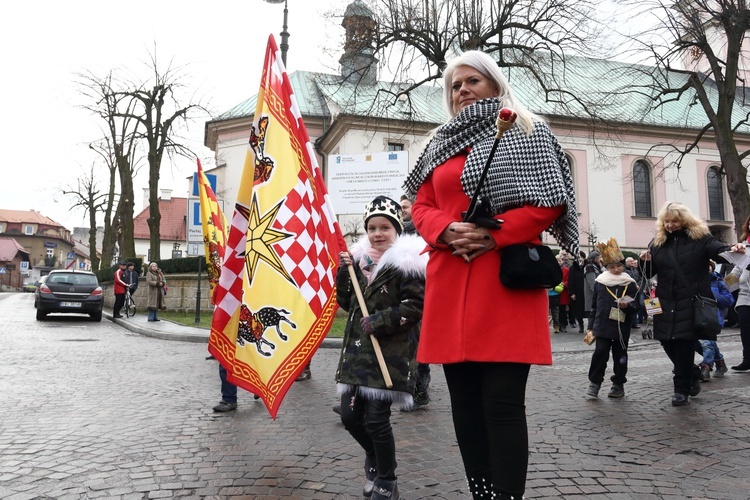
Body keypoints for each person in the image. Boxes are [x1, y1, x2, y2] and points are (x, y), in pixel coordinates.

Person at [404, 50, 578, 500]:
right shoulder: (437, 142)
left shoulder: (526, 129)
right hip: (449, 280)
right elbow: (419, 205)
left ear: (495, 85)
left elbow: (548, 200)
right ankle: (481, 492)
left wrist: (491, 236)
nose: (462, 90)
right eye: (455, 85)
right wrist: (445, 229)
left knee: (501, 403)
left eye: (472, 81)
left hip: (502, 285)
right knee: (463, 405)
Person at [335, 195, 427, 500]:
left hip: (391, 354)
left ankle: (387, 479)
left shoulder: (408, 264)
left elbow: (415, 308)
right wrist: (343, 273)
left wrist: (380, 320)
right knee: (350, 417)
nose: (378, 233)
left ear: (396, 229)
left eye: (385, 227)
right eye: (372, 227)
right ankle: (374, 458)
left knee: (376, 419)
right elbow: (347, 303)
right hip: (357, 353)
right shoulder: (359, 261)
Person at [640, 201, 745, 406]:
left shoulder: (700, 238)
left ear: (685, 220)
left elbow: (719, 251)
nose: (670, 225)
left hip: (690, 301)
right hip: (665, 300)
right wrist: (645, 260)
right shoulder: (658, 242)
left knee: (684, 344)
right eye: (667, 221)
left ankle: (681, 390)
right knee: (666, 340)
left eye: (675, 221)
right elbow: (650, 271)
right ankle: (693, 373)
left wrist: (734, 248)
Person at [585, 238, 638, 399]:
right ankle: (595, 382)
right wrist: (591, 325)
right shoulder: (600, 282)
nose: (616, 269)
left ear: (622, 266)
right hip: (602, 325)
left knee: (620, 356)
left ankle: (618, 383)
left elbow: (637, 307)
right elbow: (595, 306)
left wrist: (627, 307)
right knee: (600, 353)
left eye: (618, 266)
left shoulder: (629, 283)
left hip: (621, 327)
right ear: (607, 267)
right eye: (612, 267)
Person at [399, 193, 431, 411]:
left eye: (405, 207)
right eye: (400, 207)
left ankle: (420, 390)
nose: (402, 210)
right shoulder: (398, 235)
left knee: (420, 347)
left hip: (422, 296)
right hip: (403, 295)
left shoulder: (424, 232)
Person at [701, 260, 732, 380]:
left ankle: (706, 367)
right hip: (699, 316)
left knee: (708, 342)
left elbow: (728, 301)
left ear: (712, 268)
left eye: (707, 266)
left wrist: (714, 295)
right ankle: (720, 362)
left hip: (714, 317)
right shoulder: (695, 282)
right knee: (710, 343)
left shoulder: (718, 282)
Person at [568, 251, 587, 333]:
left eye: (581, 257)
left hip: (586, 292)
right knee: (578, 310)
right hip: (577, 291)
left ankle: (590, 326)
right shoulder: (573, 268)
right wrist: (572, 293)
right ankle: (581, 325)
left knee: (589, 309)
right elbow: (570, 281)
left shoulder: (587, 266)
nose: (580, 259)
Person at [583, 251, 603, 317]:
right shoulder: (589, 267)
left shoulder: (596, 266)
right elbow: (592, 284)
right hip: (593, 296)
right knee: (592, 317)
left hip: (598, 295)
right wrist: (598, 294)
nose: (601, 259)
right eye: (599, 258)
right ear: (595, 258)